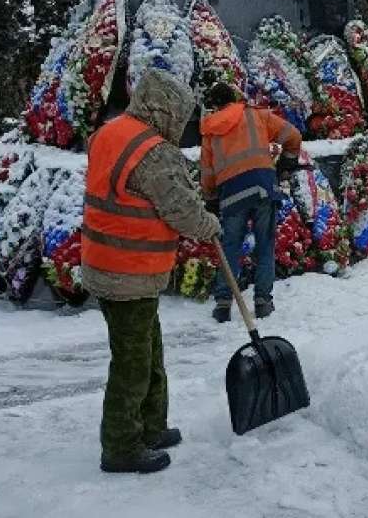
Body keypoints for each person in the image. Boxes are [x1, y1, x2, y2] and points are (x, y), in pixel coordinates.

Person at [82, 69, 221, 474]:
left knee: (148, 350)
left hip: (109, 265)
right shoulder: (154, 152)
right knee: (132, 363)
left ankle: (151, 426)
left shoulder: (110, 132)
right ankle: (121, 446)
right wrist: (209, 225)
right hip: (128, 270)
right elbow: (180, 209)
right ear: (168, 110)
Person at [199, 83, 302, 323]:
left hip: (232, 193)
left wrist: (211, 198)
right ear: (234, 97)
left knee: (230, 247)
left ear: (214, 106)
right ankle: (263, 302)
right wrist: (287, 163)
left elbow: (207, 171)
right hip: (264, 187)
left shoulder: (210, 130)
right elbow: (293, 135)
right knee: (265, 244)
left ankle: (223, 303)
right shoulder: (257, 115)